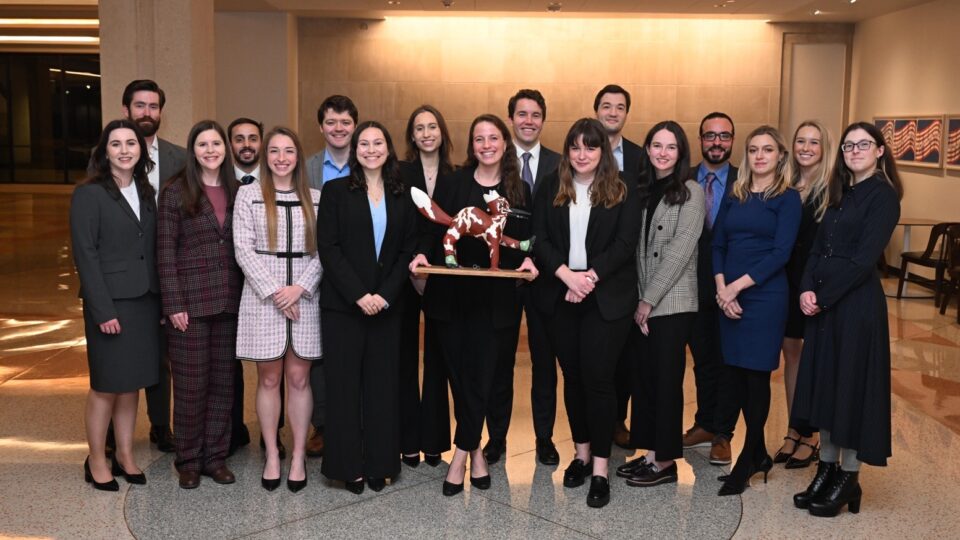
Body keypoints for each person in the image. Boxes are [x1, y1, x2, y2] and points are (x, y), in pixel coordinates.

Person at [409, 114, 537, 497]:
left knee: (480, 377)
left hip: (495, 302)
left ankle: (462, 456)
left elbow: (525, 239)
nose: (486, 144)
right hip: (450, 299)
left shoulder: (519, 190)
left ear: (504, 142)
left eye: (493, 137)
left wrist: (531, 260)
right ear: (471, 145)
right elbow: (430, 232)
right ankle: (475, 449)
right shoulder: (452, 183)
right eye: (479, 138)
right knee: (458, 377)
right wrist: (419, 255)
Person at [790, 122, 902, 517]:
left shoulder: (884, 197)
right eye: (849, 145)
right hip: (824, 305)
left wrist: (821, 296)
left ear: (880, 152)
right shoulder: (839, 193)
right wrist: (805, 287)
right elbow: (817, 249)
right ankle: (827, 468)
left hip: (855, 308)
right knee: (826, 388)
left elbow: (862, 260)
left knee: (851, 390)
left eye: (864, 145)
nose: (854, 150)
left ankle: (849, 476)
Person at [532, 118, 642, 508]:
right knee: (573, 378)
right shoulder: (550, 186)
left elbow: (625, 243)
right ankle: (580, 454)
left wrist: (588, 279)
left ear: (603, 152)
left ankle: (599, 467)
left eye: (590, 147)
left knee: (598, 380)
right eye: (575, 147)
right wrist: (566, 276)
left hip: (604, 298)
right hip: (561, 295)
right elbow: (539, 238)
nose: (582, 155)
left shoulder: (623, 189)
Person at [318, 121, 417, 494]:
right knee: (343, 388)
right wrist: (359, 295)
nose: (371, 149)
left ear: (389, 149)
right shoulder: (335, 191)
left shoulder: (402, 193)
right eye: (364, 143)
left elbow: (407, 250)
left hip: (387, 307)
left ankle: (380, 464)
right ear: (355, 150)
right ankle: (347, 467)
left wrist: (385, 294)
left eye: (378, 142)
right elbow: (329, 248)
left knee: (382, 387)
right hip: (344, 306)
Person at [712, 125, 801, 496]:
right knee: (733, 375)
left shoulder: (788, 198)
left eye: (767, 149)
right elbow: (717, 244)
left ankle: (749, 456)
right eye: (753, 150)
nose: (759, 156)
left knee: (756, 378)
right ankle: (760, 453)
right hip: (727, 297)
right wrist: (721, 288)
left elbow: (782, 253)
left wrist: (735, 287)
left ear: (780, 156)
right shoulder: (735, 194)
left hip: (764, 298)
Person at [71, 118, 160, 490]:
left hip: (144, 301)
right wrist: (102, 310)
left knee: (132, 384)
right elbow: (85, 255)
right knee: (106, 384)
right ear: (104, 151)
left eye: (131, 144)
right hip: (109, 302)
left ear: (141, 150)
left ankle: (125, 454)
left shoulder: (145, 190)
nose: (125, 150)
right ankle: (96, 459)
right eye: (116, 144)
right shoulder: (89, 193)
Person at [234, 127, 322, 493]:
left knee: (299, 379)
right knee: (269, 379)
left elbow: (324, 251)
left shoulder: (316, 198)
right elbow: (243, 248)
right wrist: (275, 292)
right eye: (274, 151)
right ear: (266, 156)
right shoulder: (248, 196)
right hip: (262, 300)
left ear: (298, 156)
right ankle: (272, 453)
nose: (281, 157)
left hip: (305, 298)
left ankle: (298, 455)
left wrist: (299, 288)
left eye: (288, 151)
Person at [157, 120, 243, 489]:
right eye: (203, 144)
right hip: (189, 305)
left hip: (230, 301)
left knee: (224, 385)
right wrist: (173, 302)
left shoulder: (239, 190)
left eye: (216, 144)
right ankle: (188, 460)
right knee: (191, 387)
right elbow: (164, 252)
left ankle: (215, 457)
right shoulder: (175, 191)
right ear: (193, 150)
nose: (210, 150)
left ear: (225, 149)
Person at [619, 121, 704, 487]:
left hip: (672, 303)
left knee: (667, 381)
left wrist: (648, 301)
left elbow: (681, 251)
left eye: (671, 147)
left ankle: (666, 462)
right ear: (648, 149)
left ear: (681, 153)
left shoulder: (691, 191)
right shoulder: (640, 190)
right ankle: (651, 453)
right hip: (642, 302)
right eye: (657, 145)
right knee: (646, 380)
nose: (663, 153)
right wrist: (639, 300)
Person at [484, 89, 563, 466]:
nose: (528, 120)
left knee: (544, 363)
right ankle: (496, 437)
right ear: (510, 118)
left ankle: (544, 438)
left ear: (543, 120)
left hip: (546, 278)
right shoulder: (496, 159)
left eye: (535, 115)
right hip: (502, 278)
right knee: (499, 360)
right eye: (521, 114)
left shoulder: (560, 163)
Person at [120, 79, 188, 453]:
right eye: (140, 106)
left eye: (153, 106)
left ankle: (161, 426)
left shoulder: (179, 158)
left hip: (170, 272)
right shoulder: (107, 157)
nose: (147, 113)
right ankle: (115, 433)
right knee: (125, 354)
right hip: (127, 277)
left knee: (166, 355)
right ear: (126, 110)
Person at [226, 117, 287, 459]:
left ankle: (272, 435)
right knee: (229, 365)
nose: (246, 144)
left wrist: (277, 289)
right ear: (230, 144)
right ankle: (232, 430)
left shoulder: (280, 180)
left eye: (253, 138)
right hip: (225, 284)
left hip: (268, 287)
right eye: (239, 139)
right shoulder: (218, 179)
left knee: (275, 361)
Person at [773, 121, 832, 469]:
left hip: (817, 283)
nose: (806, 147)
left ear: (824, 148)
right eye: (800, 141)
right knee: (791, 354)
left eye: (814, 142)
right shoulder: (785, 187)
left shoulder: (832, 190)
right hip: (786, 280)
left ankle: (812, 435)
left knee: (815, 359)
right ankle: (794, 430)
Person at [398, 104, 454, 468]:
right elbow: (400, 222)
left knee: (438, 360)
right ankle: (406, 440)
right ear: (412, 136)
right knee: (403, 359)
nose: (427, 133)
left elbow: (454, 227)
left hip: (443, 276)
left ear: (442, 131)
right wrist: (415, 258)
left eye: (432, 126)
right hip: (406, 271)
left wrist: (432, 263)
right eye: (419, 128)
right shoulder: (399, 173)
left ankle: (433, 441)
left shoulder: (457, 175)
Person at [683, 111, 739, 466]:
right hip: (691, 285)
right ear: (700, 139)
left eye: (724, 136)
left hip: (733, 287)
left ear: (732, 140)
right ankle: (704, 422)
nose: (716, 142)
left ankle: (723, 433)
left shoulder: (746, 181)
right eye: (710, 136)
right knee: (702, 359)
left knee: (729, 361)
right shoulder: (683, 179)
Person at [304, 94, 358, 459]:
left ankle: (357, 421)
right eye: (331, 122)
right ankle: (323, 426)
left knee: (356, 348)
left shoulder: (370, 162)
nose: (338, 129)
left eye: (345, 122)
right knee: (318, 353)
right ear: (321, 126)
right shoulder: (304, 169)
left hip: (357, 273)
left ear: (355, 126)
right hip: (313, 269)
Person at [593, 85, 643, 446]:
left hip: (626, 270)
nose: (613, 112)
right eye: (606, 106)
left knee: (624, 357)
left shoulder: (641, 157)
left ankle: (616, 421)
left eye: (620, 107)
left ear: (627, 113)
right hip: (587, 273)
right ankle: (596, 424)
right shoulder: (582, 153)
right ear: (596, 111)